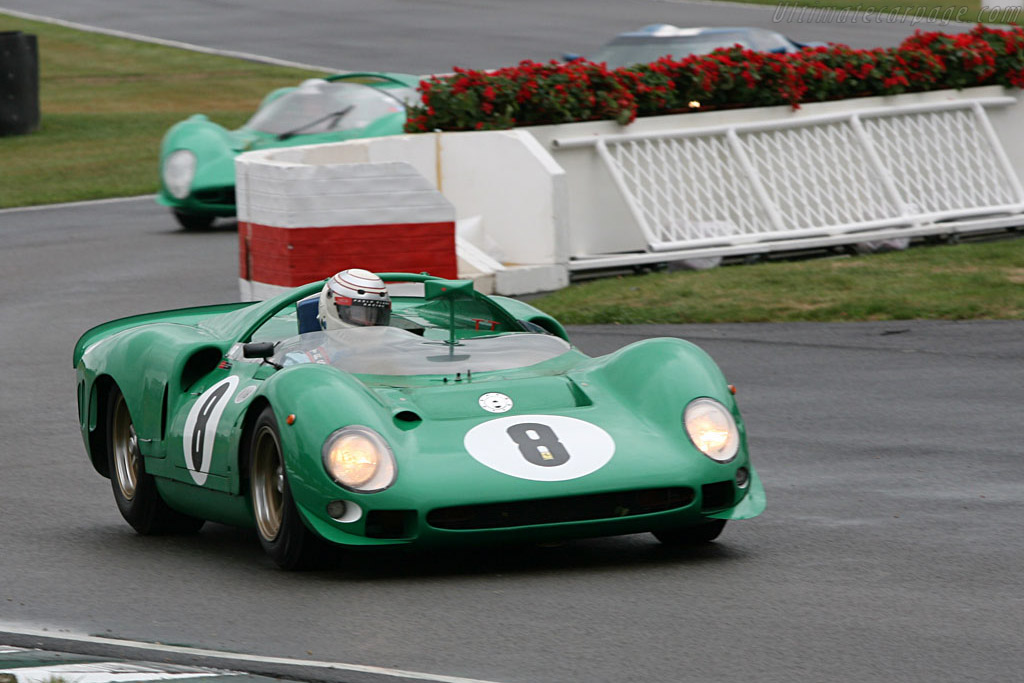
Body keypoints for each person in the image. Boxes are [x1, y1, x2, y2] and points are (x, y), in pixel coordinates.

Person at [317, 268, 391, 330]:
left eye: (376, 317)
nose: (368, 323)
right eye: (358, 314)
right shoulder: (309, 344)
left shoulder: (395, 342)